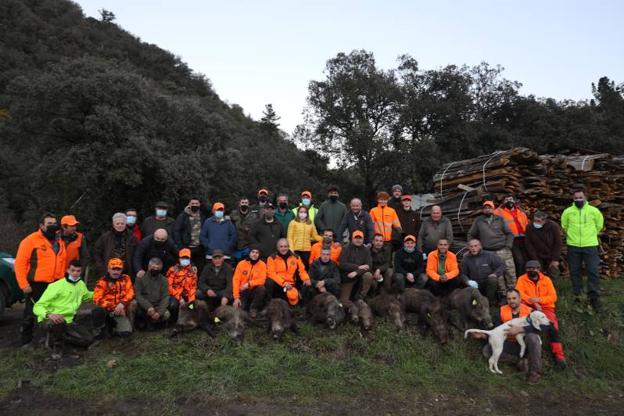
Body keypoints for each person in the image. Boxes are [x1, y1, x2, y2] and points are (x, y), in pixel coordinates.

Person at [15, 213, 67, 345]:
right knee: (31, 313)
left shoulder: (59, 241)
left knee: (52, 312)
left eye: (54, 223)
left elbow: (62, 262)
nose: (52, 226)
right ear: (41, 226)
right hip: (36, 284)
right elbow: (20, 264)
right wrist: (23, 284)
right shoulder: (30, 240)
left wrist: (62, 283)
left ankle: (48, 340)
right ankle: (25, 341)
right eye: (49, 224)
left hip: (55, 284)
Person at [473, 289, 543, 384]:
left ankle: (535, 373)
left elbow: (544, 326)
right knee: (487, 350)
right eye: (509, 299)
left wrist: (521, 329)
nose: (511, 301)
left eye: (514, 298)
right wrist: (483, 335)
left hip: (526, 344)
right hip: (509, 344)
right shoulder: (501, 311)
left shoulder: (530, 311)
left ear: (520, 299)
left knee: (533, 337)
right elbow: (496, 331)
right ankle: (518, 361)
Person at [33, 260, 94, 357]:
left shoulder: (81, 284)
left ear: (81, 272)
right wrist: (49, 315)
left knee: (88, 339)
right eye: (73, 270)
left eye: (78, 271)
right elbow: (37, 306)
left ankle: (58, 339)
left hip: (68, 321)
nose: (75, 273)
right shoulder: (57, 285)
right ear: (68, 270)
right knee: (59, 320)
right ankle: (57, 348)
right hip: (49, 319)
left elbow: (87, 296)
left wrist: (101, 292)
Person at [515, 260, 566, 367]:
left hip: (546, 308)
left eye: (534, 268)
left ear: (539, 269)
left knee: (553, 327)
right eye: (528, 268)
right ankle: (525, 356)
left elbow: (553, 297)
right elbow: (519, 294)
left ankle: (559, 357)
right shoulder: (521, 279)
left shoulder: (546, 280)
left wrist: (539, 300)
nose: (531, 270)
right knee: (526, 328)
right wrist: (532, 301)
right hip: (528, 308)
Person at [561, 190, 604, 310]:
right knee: (575, 271)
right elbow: (564, 226)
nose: (578, 199)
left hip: (590, 245)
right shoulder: (568, 212)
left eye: (580, 197)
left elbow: (599, 225)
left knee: (593, 271)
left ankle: (593, 297)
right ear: (573, 199)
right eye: (576, 197)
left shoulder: (593, 211)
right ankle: (578, 294)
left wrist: (591, 235)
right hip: (573, 245)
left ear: (585, 198)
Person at [467, 200, 515, 295]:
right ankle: (503, 295)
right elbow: (471, 234)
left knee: (510, 273)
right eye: (485, 208)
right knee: (497, 275)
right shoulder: (478, 221)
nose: (487, 210)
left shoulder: (500, 219)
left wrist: (508, 246)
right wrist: (475, 246)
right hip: (489, 253)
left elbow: (509, 233)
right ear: (483, 210)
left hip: (503, 250)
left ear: (493, 209)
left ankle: (513, 294)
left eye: (489, 208)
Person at [92, 258, 136, 338]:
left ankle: (112, 328)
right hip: (107, 310)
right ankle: (99, 329)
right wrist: (114, 307)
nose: (116, 272)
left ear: (122, 270)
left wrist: (122, 303)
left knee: (126, 333)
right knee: (98, 311)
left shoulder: (126, 278)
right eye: (113, 269)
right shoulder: (102, 281)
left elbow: (131, 292)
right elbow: (97, 299)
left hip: (120, 311)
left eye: (118, 269)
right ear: (109, 269)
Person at [265, 239, 312, 306]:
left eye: (285, 246)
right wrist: (284, 283)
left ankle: (303, 305)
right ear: (277, 248)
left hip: (291, 284)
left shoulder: (296, 257)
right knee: (269, 281)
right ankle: (268, 303)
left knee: (306, 285)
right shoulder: (271, 258)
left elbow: (302, 271)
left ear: (288, 247)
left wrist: (306, 279)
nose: (283, 248)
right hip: (279, 284)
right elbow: (271, 273)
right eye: (281, 247)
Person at [460, 239, 505, 304]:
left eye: (475, 246)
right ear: (468, 248)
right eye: (471, 246)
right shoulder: (466, 258)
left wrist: (495, 274)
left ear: (480, 246)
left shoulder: (490, 255)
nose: (473, 248)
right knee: (473, 303)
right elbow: (463, 274)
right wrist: (468, 281)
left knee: (493, 279)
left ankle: (489, 301)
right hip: (475, 284)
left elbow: (502, 265)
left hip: (487, 283)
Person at [494, 195, 529, 276]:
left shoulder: (521, 213)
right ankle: (519, 278)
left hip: (524, 239)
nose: (509, 201)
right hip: (512, 240)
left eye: (510, 199)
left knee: (527, 259)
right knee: (519, 261)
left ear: (514, 201)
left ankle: (526, 278)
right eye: (506, 200)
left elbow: (527, 225)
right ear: (503, 202)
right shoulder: (500, 212)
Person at [93, 212, 138, 277]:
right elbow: (96, 253)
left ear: (125, 224)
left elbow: (137, 254)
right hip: (109, 271)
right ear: (113, 224)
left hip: (127, 272)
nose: (120, 225)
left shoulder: (132, 237)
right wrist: (101, 268)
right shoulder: (105, 237)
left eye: (122, 223)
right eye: (117, 223)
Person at [131, 257, 170, 328]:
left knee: (166, 314)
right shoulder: (140, 278)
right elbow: (137, 295)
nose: (155, 270)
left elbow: (165, 297)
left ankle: (152, 322)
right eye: (153, 268)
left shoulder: (164, 280)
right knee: (133, 304)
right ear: (148, 267)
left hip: (156, 306)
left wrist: (159, 312)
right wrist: (148, 307)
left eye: (157, 269)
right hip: (142, 306)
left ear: (161, 269)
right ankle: (133, 325)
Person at [524, 211, 562, 281]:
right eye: (535, 220)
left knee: (554, 273)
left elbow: (558, 243)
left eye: (538, 221)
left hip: (551, 254)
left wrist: (555, 259)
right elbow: (528, 244)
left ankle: (555, 291)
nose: (536, 222)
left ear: (545, 220)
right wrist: (535, 259)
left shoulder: (553, 226)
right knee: (537, 274)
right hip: (537, 255)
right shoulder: (529, 227)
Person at [338, 230, 374, 302]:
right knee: (344, 301)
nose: (358, 240)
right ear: (352, 238)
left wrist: (356, 272)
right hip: (347, 277)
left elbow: (369, 266)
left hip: (360, 276)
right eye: (356, 238)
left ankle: (361, 297)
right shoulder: (345, 248)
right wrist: (358, 267)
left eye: (360, 238)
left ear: (363, 239)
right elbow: (342, 264)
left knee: (368, 275)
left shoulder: (366, 250)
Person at [172, 197, 206, 271]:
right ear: (189, 205)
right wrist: (180, 246)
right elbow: (176, 231)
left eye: (196, 203)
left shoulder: (202, 216)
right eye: (193, 203)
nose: (195, 205)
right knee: (186, 269)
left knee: (200, 269)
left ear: (199, 204)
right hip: (186, 247)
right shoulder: (182, 216)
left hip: (200, 247)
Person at [232, 247, 267, 317]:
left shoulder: (262, 265)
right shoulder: (241, 264)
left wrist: (249, 284)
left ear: (259, 255)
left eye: (257, 253)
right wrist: (236, 297)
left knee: (262, 288)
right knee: (238, 311)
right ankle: (244, 306)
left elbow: (262, 280)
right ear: (249, 253)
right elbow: (236, 280)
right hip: (243, 291)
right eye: (253, 252)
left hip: (254, 290)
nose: (255, 254)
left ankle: (253, 308)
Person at [166, 248, 198, 323]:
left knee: (194, 304)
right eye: (183, 258)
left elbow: (193, 287)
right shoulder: (172, 270)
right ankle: (172, 320)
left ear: (190, 259)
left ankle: (190, 319)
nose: (185, 260)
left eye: (186, 258)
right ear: (179, 259)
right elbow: (169, 287)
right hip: (175, 294)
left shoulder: (192, 271)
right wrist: (179, 298)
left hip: (188, 294)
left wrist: (191, 301)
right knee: (173, 305)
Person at [230, 197, 259, 261]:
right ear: (239, 204)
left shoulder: (253, 216)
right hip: (236, 245)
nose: (244, 204)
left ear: (248, 204)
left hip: (247, 245)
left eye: (246, 203)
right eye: (242, 203)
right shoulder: (233, 214)